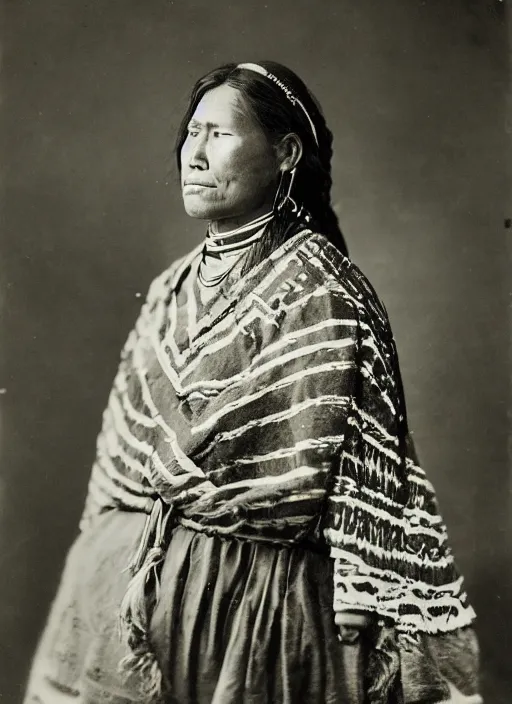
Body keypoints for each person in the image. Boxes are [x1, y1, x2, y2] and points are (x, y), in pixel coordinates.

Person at [24, 61, 482, 704]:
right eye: (191, 133)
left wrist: (357, 603)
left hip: (257, 616)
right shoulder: (170, 289)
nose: (195, 153)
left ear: (287, 152)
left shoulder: (326, 294)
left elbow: (369, 472)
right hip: (127, 605)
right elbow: (119, 462)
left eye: (221, 135)